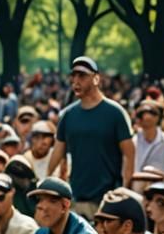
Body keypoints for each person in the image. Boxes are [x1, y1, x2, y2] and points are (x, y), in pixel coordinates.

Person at [47, 56, 134, 218]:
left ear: (96, 79)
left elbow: (129, 155)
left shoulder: (115, 113)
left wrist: (123, 191)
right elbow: (57, 152)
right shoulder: (67, 115)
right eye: (73, 76)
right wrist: (46, 179)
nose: (75, 81)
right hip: (76, 199)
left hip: (107, 200)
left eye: (82, 76)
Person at [133, 100, 164, 174]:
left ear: (158, 117)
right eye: (141, 114)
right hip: (136, 181)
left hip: (160, 182)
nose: (146, 117)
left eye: (152, 113)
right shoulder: (133, 140)